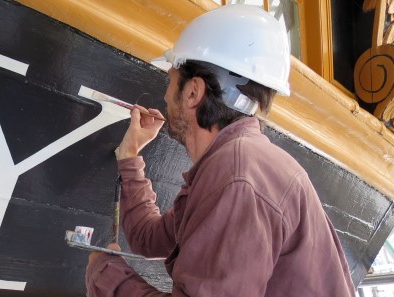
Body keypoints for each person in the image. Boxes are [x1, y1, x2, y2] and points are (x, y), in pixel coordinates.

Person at [85, 4, 356, 297]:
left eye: (170, 81)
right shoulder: (237, 166)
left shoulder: (238, 178)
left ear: (193, 92)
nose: (165, 94)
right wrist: (130, 156)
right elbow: (149, 239)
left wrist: (108, 277)